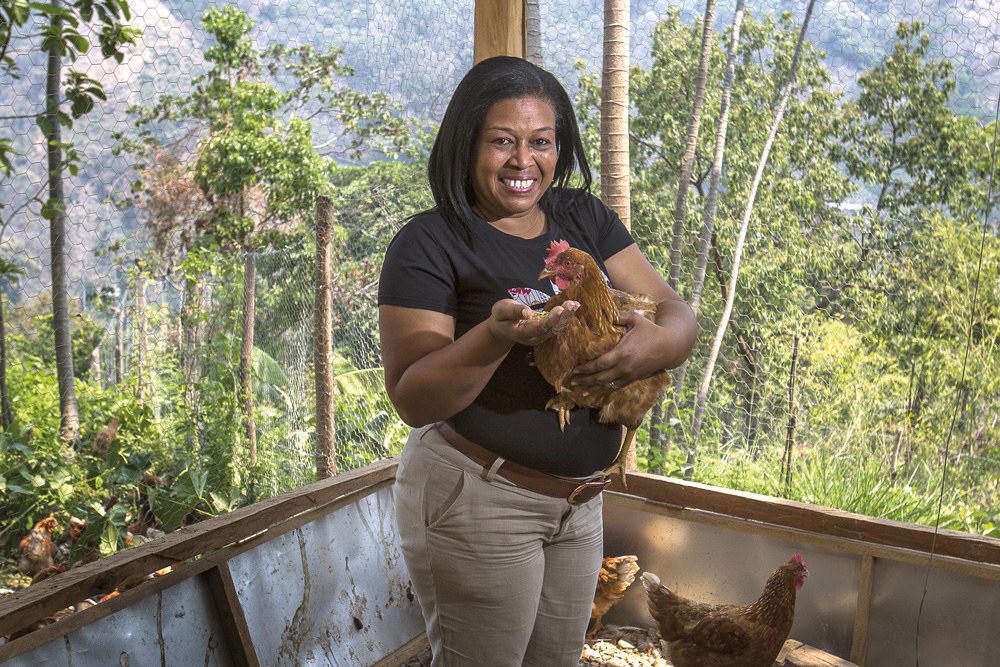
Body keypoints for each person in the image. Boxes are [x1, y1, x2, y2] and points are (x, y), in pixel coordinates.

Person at [378, 56, 698, 667]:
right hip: (480, 495)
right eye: (502, 141)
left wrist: (664, 343)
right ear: (466, 145)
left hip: (578, 505)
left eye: (541, 142)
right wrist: (497, 338)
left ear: (561, 147)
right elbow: (413, 397)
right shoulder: (429, 242)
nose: (524, 161)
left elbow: (671, 307)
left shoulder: (584, 217)